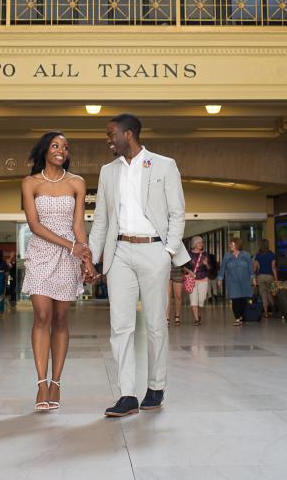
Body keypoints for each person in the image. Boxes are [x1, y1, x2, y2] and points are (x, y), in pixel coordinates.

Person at [88, 113, 190, 418]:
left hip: (153, 251)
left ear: (128, 134)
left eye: (111, 135)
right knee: (120, 326)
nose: (108, 140)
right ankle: (127, 394)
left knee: (156, 323)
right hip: (119, 252)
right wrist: (92, 258)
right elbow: (102, 219)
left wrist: (168, 251)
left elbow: (177, 213)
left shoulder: (164, 165)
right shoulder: (108, 172)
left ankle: (155, 387)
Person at [20, 131, 92, 412]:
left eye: (65, 147)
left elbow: (78, 225)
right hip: (41, 252)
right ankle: (40, 383)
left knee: (60, 319)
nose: (61, 150)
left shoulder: (77, 183)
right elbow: (34, 225)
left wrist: (84, 256)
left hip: (69, 256)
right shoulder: (30, 183)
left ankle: (56, 383)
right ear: (45, 150)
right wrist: (71, 246)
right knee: (42, 315)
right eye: (55, 145)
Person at [217, 237, 255, 326]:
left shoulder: (246, 255)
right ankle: (237, 318)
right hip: (232, 282)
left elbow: (250, 267)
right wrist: (220, 279)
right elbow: (223, 268)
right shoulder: (227, 255)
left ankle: (241, 316)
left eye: (232, 244)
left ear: (237, 245)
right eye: (230, 244)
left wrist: (253, 279)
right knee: (235, 300)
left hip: (244, 281)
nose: (230, 245)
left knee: (243, 300)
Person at [185, 236, 210, 326]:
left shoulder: (205, 254)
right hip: (192, 280)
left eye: (202, 242)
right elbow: (183, 265)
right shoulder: (188, 254)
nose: (201, 244)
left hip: (203, 279)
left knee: (201, 300)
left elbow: (209, 268)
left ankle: (199, 315)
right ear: (194, 244)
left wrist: (206, 264)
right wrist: (189, 271)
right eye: (199, 243)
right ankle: (196, 319)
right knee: (193, 300)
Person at [252, 238, 277, 318]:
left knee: (263, 294)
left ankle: (266, 312)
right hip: (270, 276)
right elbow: (273, 267)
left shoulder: (258, 255)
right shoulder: (271, 254)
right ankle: (274, 310)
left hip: (260, 276)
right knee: (271, 293)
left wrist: (254, 278)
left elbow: (255, 268)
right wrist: (276, 279)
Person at [167, 255, 184, 326]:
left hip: (178, 269)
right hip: (166, 268)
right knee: (168, 295)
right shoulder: (163, 243)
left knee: (178, 295)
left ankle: (177, 315)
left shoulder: (179, 244)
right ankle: (167, 317)